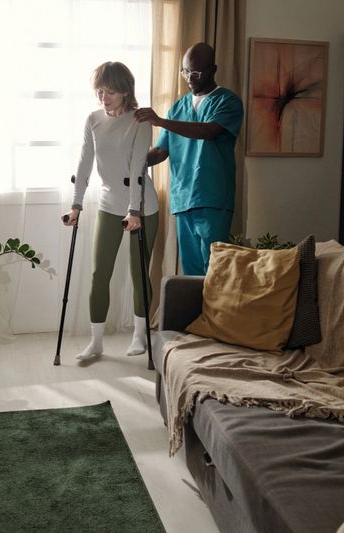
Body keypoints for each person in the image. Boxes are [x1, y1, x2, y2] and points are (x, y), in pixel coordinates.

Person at [62, 61, 158, 361]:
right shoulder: (93, 119)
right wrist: (76, 204)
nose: (104, 97)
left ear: (126, 91)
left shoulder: (139, 120)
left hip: (142, 207)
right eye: (100, 91)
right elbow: (84, 164)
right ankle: (97, 342)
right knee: (98, 273)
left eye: (111, 92)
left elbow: (138, 168)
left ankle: (140, 335)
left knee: (139, 273)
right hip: (108, 205)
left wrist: (134, 212)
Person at [135, 42, 243, 275]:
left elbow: (209, 131)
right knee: (191, 274)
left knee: (215, 272)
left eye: (196, 72)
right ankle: (195, 314)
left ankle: (216, 313)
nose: (189, 78)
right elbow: (161, 152)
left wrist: (161, 121)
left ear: (213, 70)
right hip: (183, 199)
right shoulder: (178, 107)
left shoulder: (228, 101)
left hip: (213, 198)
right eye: (185, 72)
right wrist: (129, 161)